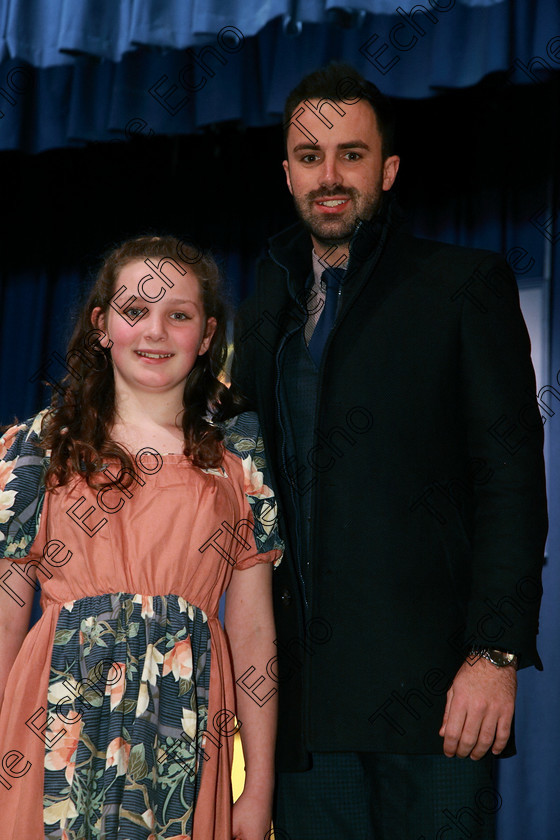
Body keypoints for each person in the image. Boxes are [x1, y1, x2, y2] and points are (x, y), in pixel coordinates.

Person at [232, 63, 548, 839]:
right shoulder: (265, 295)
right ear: (287, 173)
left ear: (389, 169)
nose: (330, 175)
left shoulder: (462, 285)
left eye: (351, 154)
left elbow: (510, 482)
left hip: (437, 699)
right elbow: (226, 461)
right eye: (310, 157)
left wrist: (496, 654)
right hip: (307, 711)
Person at [0, 235, 283, 840]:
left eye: (177, 315)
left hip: (186, 722)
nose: (155, 331)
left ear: (206, 336)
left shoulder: (237, 457)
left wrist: (256, 788)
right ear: (103, 325)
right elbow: (4, 617)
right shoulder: (36, 447)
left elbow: (256, 635)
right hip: (56, 720)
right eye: (135, 311)